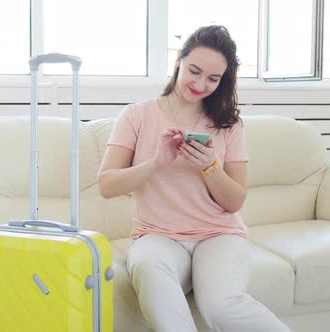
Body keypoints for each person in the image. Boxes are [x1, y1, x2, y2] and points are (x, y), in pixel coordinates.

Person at [98, 25, 291, 332]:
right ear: (179, 62)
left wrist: (210, 167)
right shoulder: (136, 116)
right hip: (157, 236)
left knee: (222, 306)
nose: (200, 84)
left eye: (213, 79)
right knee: (148, 266)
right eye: (194, 71)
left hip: (218, 235)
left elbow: (235, 202)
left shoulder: (229, 124)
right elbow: (107, 185)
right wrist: (156, 163)